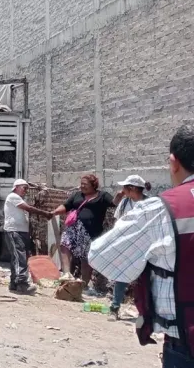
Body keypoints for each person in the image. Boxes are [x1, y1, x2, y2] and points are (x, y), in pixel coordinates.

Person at [89, 125, 194, 367]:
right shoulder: (138, 207)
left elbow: (102, 256)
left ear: (173, 162)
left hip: (185, 342)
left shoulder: (157, 210)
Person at [52, 174, 119, 290]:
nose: (82, 186)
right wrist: (54, 212)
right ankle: (67, 273)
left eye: (85, 184)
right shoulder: (77, 195)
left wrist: (120, 195)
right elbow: (66, 206)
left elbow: (114, 203)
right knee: (64, 243)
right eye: (81, 184)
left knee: (85, 257)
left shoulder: (102, 195)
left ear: (93, 185)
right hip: (73, 228)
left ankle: (84, 284)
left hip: (90, 232)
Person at [108, 175, 151, 319]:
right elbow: (117, 222)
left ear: (132, 188)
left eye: (125, 187)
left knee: (145, 278)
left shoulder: (149, 203)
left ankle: (147, 311)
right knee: (121, 275)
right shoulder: (125, 202)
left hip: (144, 246)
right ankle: (114, 308)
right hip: (126, 244)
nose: (122, 190)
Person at [3, 179, 52, 294]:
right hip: (14, 231)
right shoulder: (13, 197)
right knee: (20, 257)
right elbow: (29, 209)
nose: (26, 191)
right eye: (24, 188)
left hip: (20, 231)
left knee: (17, 257)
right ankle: (22, 284)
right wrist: (45, 213)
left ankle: (14, 284)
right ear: (16, 187)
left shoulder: (18, 199)